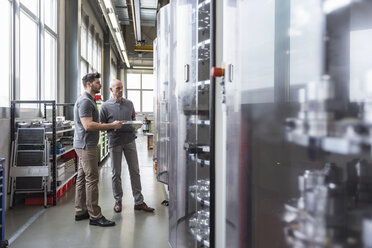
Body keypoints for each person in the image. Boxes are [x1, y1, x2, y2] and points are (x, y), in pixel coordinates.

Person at [73, 72, 122, 227]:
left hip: (82, 144)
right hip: (87, 146)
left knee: (82, 178)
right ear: (89, 84)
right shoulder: (86, 101)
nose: (100, 85)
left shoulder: (88, 100)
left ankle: (80, 211)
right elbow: (88, 125)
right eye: (97, 82)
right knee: (92, 179)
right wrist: (112, 125)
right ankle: (95, 215)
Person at [99, 79, 155, 213]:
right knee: (116, 173)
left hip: (129, 140)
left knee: (135, 171)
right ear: (111, 90)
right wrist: (113, 125)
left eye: (122, 88)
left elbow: (133, 120)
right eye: (117, 88)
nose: (120, 90)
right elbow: (101, 126)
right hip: (115, 141)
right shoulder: (105, 106)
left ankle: (139, 201)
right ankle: (118, 200)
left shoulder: (129, 104)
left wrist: (135, 125)